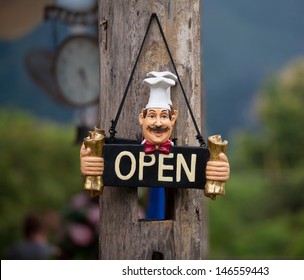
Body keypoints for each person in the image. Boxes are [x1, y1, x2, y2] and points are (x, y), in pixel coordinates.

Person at [80, 71, 230, 218]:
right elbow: (99, 171)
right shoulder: (124, 158)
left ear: (173, 118)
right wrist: (91, 165)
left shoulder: (184, 161)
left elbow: (208, 171)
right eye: (152, 116)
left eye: (164, 116)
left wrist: (216, 172)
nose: (158, 123)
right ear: (141, 118)